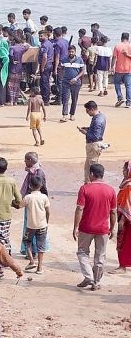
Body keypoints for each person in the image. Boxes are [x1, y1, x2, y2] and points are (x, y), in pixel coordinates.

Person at [74, 163, 117, 291]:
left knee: (82, 252)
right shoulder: (111, 190)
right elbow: (113, 212)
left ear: (92, 174)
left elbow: (79, 209)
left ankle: (89, 277)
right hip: (103, 229)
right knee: (100, 256)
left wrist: (75, 227)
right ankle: (96, 281)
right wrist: (112, 228)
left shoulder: (85, 188)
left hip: (86, 227)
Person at [21, 175, 50, 274]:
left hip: (30, 226)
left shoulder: (28, 197)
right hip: (42, 225)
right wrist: (46, 221)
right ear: (41, 185)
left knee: (27, 241)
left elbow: (20, 205)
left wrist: (12, 203)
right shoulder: (44, 197)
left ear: (30, 186)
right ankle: (40, 267)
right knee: (41, 246)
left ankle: (32, 261)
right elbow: (48, 211)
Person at [78, 101, 106, 183]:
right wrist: (88, 129)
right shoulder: (101, 116)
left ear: (92, 109)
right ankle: (88, 183)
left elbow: (95, 136)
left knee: (92, 168)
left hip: (93, 145)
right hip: (95, 145)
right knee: (88, 167)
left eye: (88, 111)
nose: (87, 113)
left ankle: (92, 185)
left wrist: (85, 132)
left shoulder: (97, 120)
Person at [112, 160, 131, 275]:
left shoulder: (128, 186)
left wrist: (122, 220)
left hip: (126, 219)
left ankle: (122, 266)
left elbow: (126, 204)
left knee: (123, 241)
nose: (123, 171)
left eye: (124, 169)